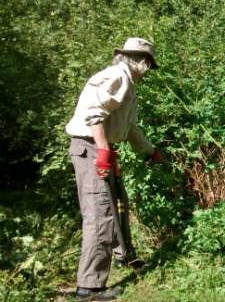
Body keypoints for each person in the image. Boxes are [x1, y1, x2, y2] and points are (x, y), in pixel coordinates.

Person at [66, 38, 165, 301]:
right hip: (91, 149)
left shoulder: (126, 83)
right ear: (141, 63)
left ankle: (125, 258)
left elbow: (129, 128)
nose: (147, 72)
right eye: (148, 65)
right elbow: (93, 114)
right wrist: (103, 151)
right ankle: (89, 288)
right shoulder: (116, 77)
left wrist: (150, 151)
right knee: (100, 215)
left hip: (101, 147)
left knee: (118, 204)